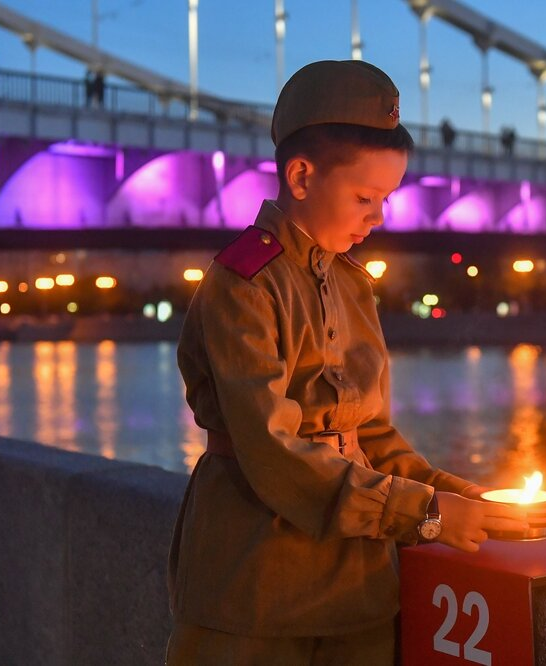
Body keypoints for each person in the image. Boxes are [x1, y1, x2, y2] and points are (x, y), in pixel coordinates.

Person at [166, 59, 527, 665]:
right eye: (365, 197)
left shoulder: (351, 285)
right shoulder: (244, 284)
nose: (378, 217)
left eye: (386, 198)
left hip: (358, 587)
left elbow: (370, 433)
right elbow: (271, 449)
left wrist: (463, 496)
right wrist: (427, 515)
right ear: (301, 176)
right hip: (255, 585)